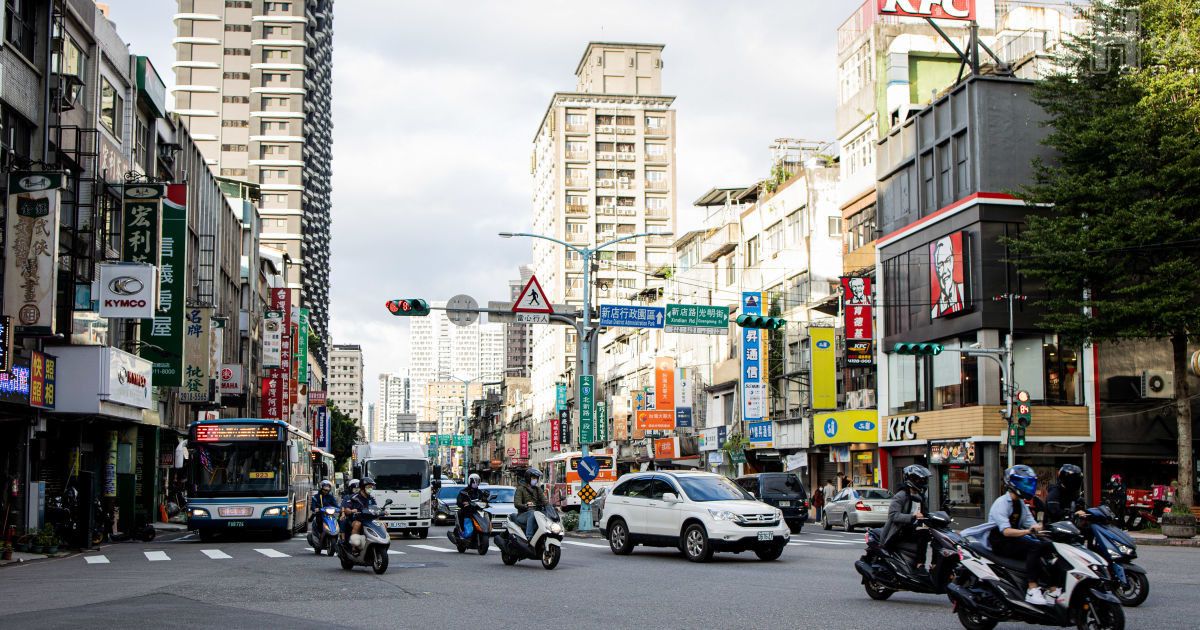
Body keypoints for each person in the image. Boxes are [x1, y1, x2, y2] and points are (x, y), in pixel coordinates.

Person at [989, 465, 1056, 605]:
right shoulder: (1002, 503)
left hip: (1015, 539)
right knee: (1034, 547)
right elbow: (1006, 531)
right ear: (1012, 483)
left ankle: (1052, 588)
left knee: (1048, 545)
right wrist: (1027, 532)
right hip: (1000, 541)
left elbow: (1031, 524)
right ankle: (1032, 589)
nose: (1028, 486)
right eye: (1024, 483)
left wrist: (1042, 529)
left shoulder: (1020, 503)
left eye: (1029, 483)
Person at [881, 465, 932, 572]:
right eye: (919, 479)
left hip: (913, 528)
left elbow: (926, 514)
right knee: (923, 533)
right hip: (899, 530)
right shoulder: (901, 495)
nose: (922, 482)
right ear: (911, 479)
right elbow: (893, 515)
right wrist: (913, 517)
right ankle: (920, 564)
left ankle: (935, 565)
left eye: (923, 480)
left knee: (933, 534)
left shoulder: (922, 497)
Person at [342, 477, 378, 549]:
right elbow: (346, 509)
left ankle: (380, 544)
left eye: (371, 487)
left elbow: (375, 508)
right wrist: (352, 511)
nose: (370, 488)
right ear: (362, 487)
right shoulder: (353, 497)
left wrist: (382, 512)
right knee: (357, 524)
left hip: (369, 520)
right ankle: (354, 547)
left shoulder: (371, 498)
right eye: (368, 487)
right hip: (356, 519)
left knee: (382, 524)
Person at [513, 468, 547, 540]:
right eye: (534, 478)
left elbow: (545, 501)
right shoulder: (520, 489)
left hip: (537, 514)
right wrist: (526, 505)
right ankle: (529, 537)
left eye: (537, 478)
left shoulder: (538, 489)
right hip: (523, 515)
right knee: (532, 513)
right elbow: (517, 503)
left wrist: (551, 506)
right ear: (528, 478)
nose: (536, 480)